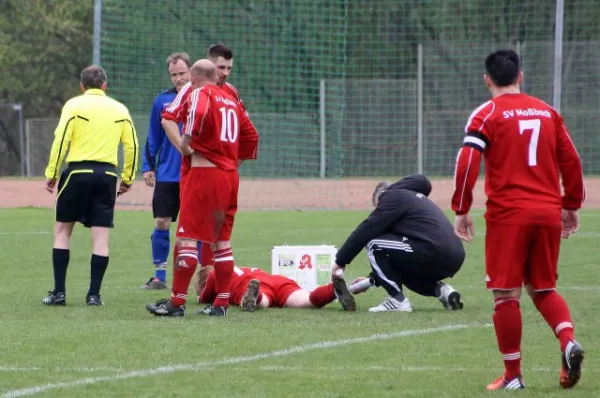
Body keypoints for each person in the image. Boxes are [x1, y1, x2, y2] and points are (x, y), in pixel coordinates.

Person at [451, 50, 585, 390]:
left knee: (506, 295)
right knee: (543, 287)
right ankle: (568, 341)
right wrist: (570, 204)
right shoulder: (547, 112)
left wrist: (461, 208)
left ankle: (513, 377)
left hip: (508, 215)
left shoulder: (487, 113)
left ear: (487, 80)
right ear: (520, 76)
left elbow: (468, 161)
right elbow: (572, 161)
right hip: (547, 213)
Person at [146, 59, 259, 317]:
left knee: (187, 238)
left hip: (204, 174)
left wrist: (186, 144)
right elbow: (252, 136)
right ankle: (220, 304)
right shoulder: (231, 99)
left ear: (195, 79)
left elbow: (196, 114)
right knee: (222, 242)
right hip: (229, 177)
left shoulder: (201, 92)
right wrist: (233, 161)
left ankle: (176, 303)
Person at [42, 65, 139, 306]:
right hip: (107, 175)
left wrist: (52, 173)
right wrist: (127, 178)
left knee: (63, 232)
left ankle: (59, 293)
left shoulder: (74, 105)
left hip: (77, 173)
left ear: (82, 86)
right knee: (101, 238)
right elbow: (132, 146)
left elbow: (61, 140)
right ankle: (94, 295)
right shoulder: (120, 109)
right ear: (105, 86)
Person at [160, 44, 258, 272]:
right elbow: (168, 119)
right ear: (208, 65)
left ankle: (203, 287)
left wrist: (232, 162)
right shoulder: (192, 89)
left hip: (221, 173)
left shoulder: (232, 92)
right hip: (196, 171)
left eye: (229, 68)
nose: (225, 72)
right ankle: (183, 287)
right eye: (221, 67)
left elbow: (249, 133)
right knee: (190, 231)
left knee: (216, 233)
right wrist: (184, 150)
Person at [330, 175, 465, 313]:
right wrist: (372, 279)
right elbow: (395, 260)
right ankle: (444, 292)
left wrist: (341, 261)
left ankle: (397, 301)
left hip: (434, 249)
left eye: (379, 208)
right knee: (404, 270)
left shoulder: (391, 197)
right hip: (455, 255)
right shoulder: (411, 199)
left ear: (381, 196)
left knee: (374, 244)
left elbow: (366, 229)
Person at [139, 52, 191, 290]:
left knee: (195, 227)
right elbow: (153, 136)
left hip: (194, 173)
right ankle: (159, 276)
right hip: (168, 175)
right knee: (162, 221)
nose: (178, 79)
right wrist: (148, 167)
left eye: (182, 73)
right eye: (174, 74)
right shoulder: (162, 101)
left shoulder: (202, 96)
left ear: (191, 72)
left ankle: (200, 277)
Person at [194, 265, 356, 312]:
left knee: (263, 301)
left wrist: (200, 296)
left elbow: (204, 297)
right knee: (307, 300)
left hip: (252, 285)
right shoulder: (240, 268)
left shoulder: (215, 273)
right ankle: (332, 290)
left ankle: (254, 296)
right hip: (277, 281)